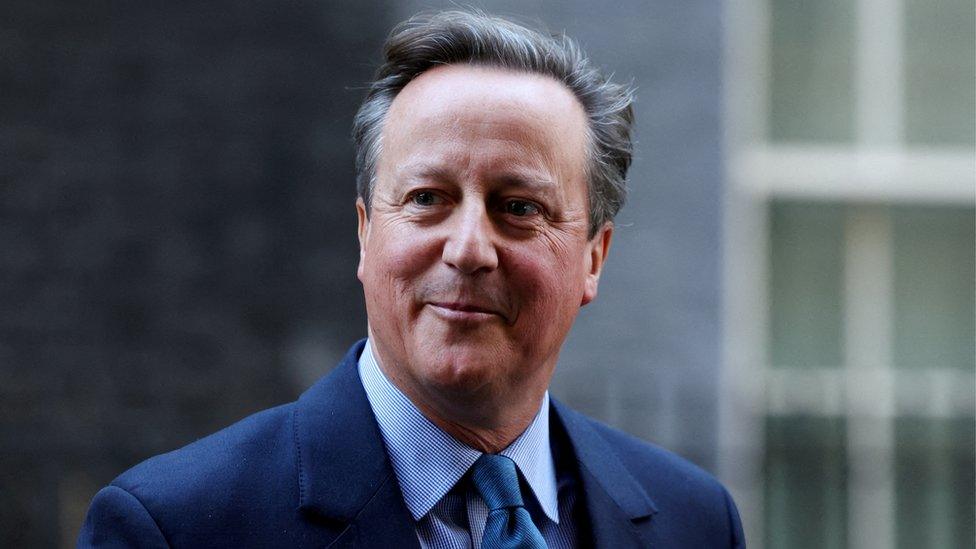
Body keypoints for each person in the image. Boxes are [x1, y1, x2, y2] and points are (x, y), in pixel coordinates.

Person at [79, 10, 744, 548]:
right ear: (367, 232)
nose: (469, 248)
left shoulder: (696, 521)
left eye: (518, 207)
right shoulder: (176, 527)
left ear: (593, 257)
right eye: (428, 197)